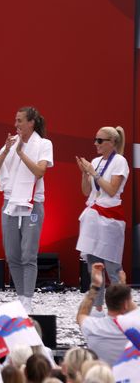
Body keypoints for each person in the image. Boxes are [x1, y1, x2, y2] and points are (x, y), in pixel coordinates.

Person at [0, 107, 53, 313]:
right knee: (12, 255)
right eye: (15, 120)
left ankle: (28, 299)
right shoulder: (12, 143)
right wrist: (9, 150)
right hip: (10, 202)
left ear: (31, 123)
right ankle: (20, 297)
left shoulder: (43, 144)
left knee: (28, 254)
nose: (16, 124)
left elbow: (40, 171)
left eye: (19, 121)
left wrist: (20, 153)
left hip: (32, 202)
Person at [75, 126, 128, 310]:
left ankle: (118, 309)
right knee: (94, 267)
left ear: (112, 142)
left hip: (111, 218)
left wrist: (94, 173)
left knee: (113, 268)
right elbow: (86, 191)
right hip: (93, 216)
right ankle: (97, 309)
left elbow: (112, 190)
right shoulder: (95, 161)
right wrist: (84, 172)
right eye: (95, 140)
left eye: (100, 140)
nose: (95, 144)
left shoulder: (119, 161)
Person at [76, 262, 136, 365]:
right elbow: (135, 311)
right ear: (126, 304)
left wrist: (95, 285)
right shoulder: (136, 328)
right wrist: (123, 285)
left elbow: (81, 314)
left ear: (107, 303)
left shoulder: (94, 328)